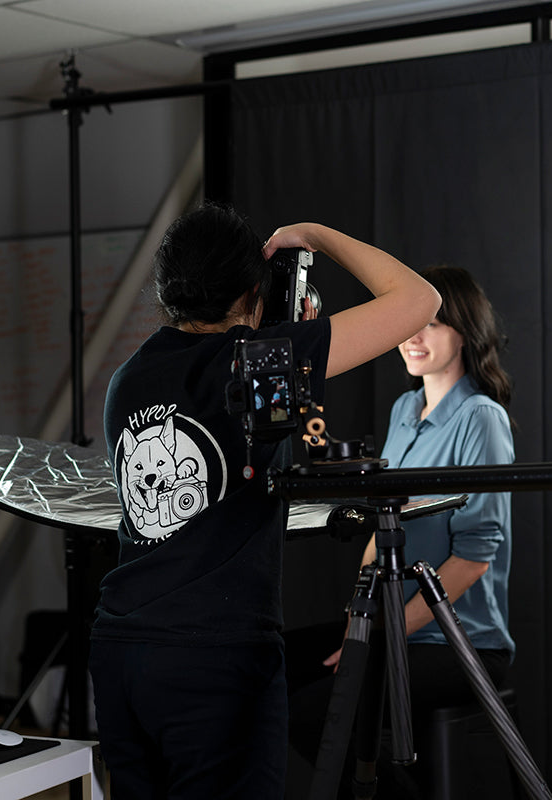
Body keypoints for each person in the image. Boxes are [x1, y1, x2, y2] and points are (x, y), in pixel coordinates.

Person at [90, 203, 440, 800]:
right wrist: (317, 236)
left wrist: (280, 333)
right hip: (216, 656)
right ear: (255, 289)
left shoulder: (130, 377)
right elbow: (419, 302)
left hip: (123, 648)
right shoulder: (261, 361)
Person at [293, 264, 515, 797]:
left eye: (433, 325)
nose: (414, 337)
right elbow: (382, 525)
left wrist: (376, 636)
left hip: (459, 643)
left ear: (466, 332)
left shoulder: (480, 418)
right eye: (410, 324)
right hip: (392, 623)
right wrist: (357, 621)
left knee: (313, 715)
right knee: (269, 664)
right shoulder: (404, 409)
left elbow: (473, 560)